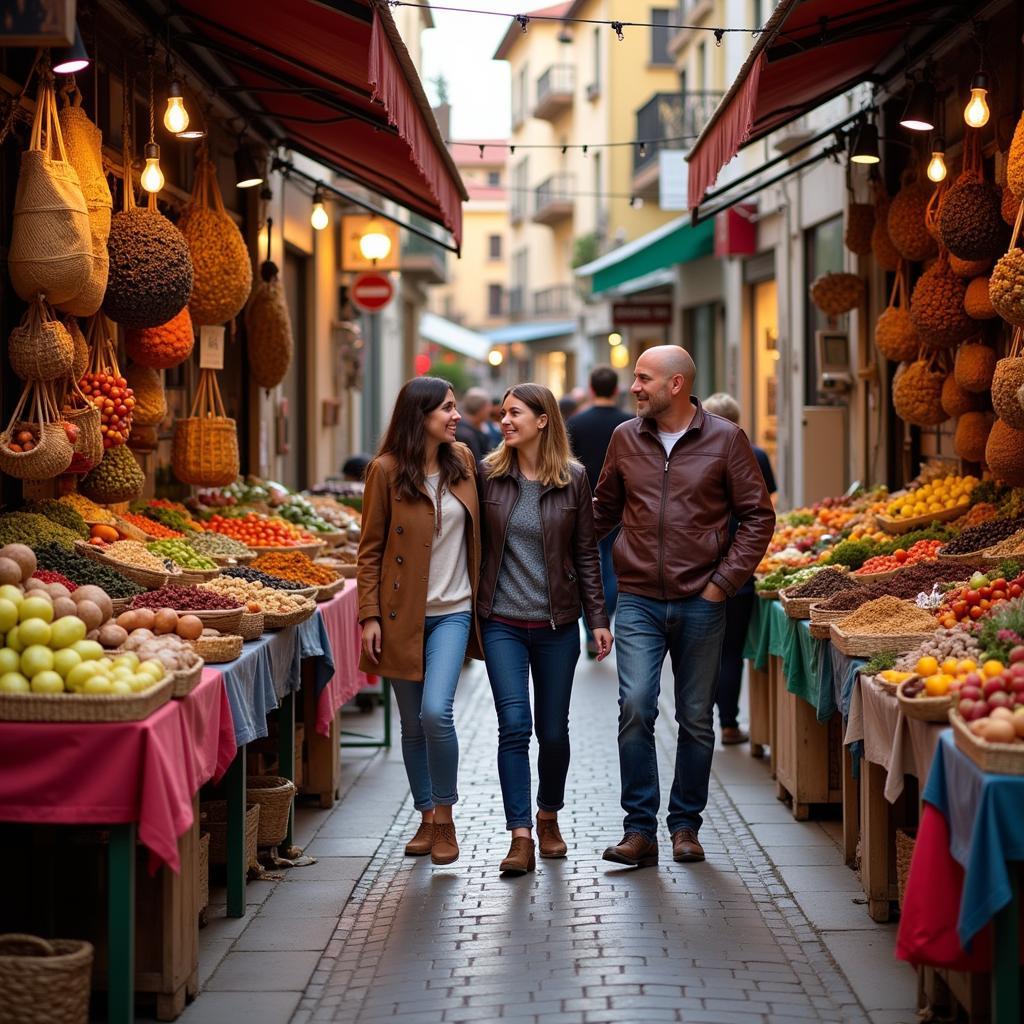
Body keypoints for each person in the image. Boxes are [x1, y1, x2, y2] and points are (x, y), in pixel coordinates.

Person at [593, 346, 775, 867]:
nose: (634, 387)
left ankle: (685, 826)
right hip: (639, 601)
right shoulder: (625, 438)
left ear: (675, 385)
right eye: (633, 378)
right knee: (636, 707)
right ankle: (639, 830)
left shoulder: (726, 439)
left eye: (643, 379)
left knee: (697, 719)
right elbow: (601, 513)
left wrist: (722, 583)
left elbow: (758, 517)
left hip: (702, 601)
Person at [477, 383, 612, 876]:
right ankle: (520, 835)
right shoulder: (487, 475)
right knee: (515, 726)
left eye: (514, 413)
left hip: (557, 624)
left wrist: (597, 619)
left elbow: (586, 555)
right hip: (502, 623)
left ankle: (548, 814)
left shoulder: (573, 479)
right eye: (502, 412)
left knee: (553, 732)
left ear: (542, 421)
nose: (504, 420)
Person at [357, 377, 484, 866]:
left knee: (436, 713)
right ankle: (426, 816)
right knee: (411, 725)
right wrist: (368, 615)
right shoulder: (384, 472)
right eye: (447, 409)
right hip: (397, 616)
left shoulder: (465, 464)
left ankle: (447, 819)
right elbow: (369, 551)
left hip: (453, 612)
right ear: (421, 416)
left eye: (455, 408)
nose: (456, 416)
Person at [702, 392, 778, 746]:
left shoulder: (699, 454)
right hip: (742, 565)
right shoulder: (757, 454)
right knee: (731, 650)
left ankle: (701, 721)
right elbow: (768, 506)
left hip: (703, 564)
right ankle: (728, 724)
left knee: (706, 652)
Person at [565, 366, 632, 658]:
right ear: (616, 390)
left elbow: (565, 466)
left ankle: (591, 631)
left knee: (585, 569)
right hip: (621, 508)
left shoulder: (576, 423)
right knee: (613, 569)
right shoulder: (629, 423)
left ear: (591, 390)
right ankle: (605, 622)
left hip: (583, 507)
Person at [455, 387, 497, 460]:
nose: (490, 410)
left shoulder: (475, 428)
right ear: (482, 408)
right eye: (488, 406)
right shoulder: (465, 435)